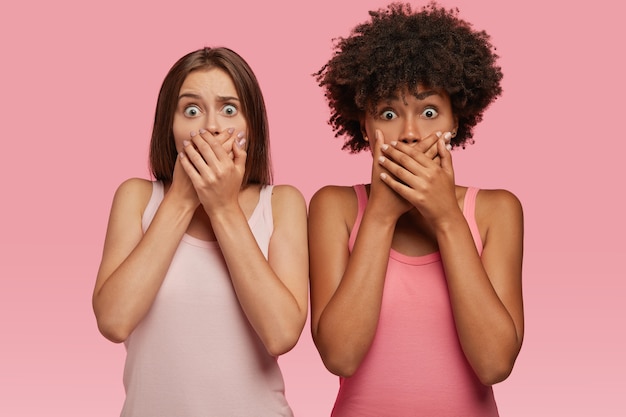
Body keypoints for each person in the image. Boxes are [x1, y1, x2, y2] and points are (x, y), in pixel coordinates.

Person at [309, 3, 524, 416]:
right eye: (388, 113)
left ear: (455, 121)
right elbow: (340, 357)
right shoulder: (333, 207)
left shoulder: (496, 210)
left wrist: (446, 218)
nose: (409, 134)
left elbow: (495, 364)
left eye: (429, 112)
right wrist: (381, 215)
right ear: (364, 126)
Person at [92, 47, 308, 417]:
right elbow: (113, 321)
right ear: (170, 127)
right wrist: (180, 200)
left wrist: (222, 207)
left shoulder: (282, 203)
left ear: (251, 127)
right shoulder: (137, 198)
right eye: (191, 110)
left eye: (229, 109)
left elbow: (281, 334)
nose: (211, 127)